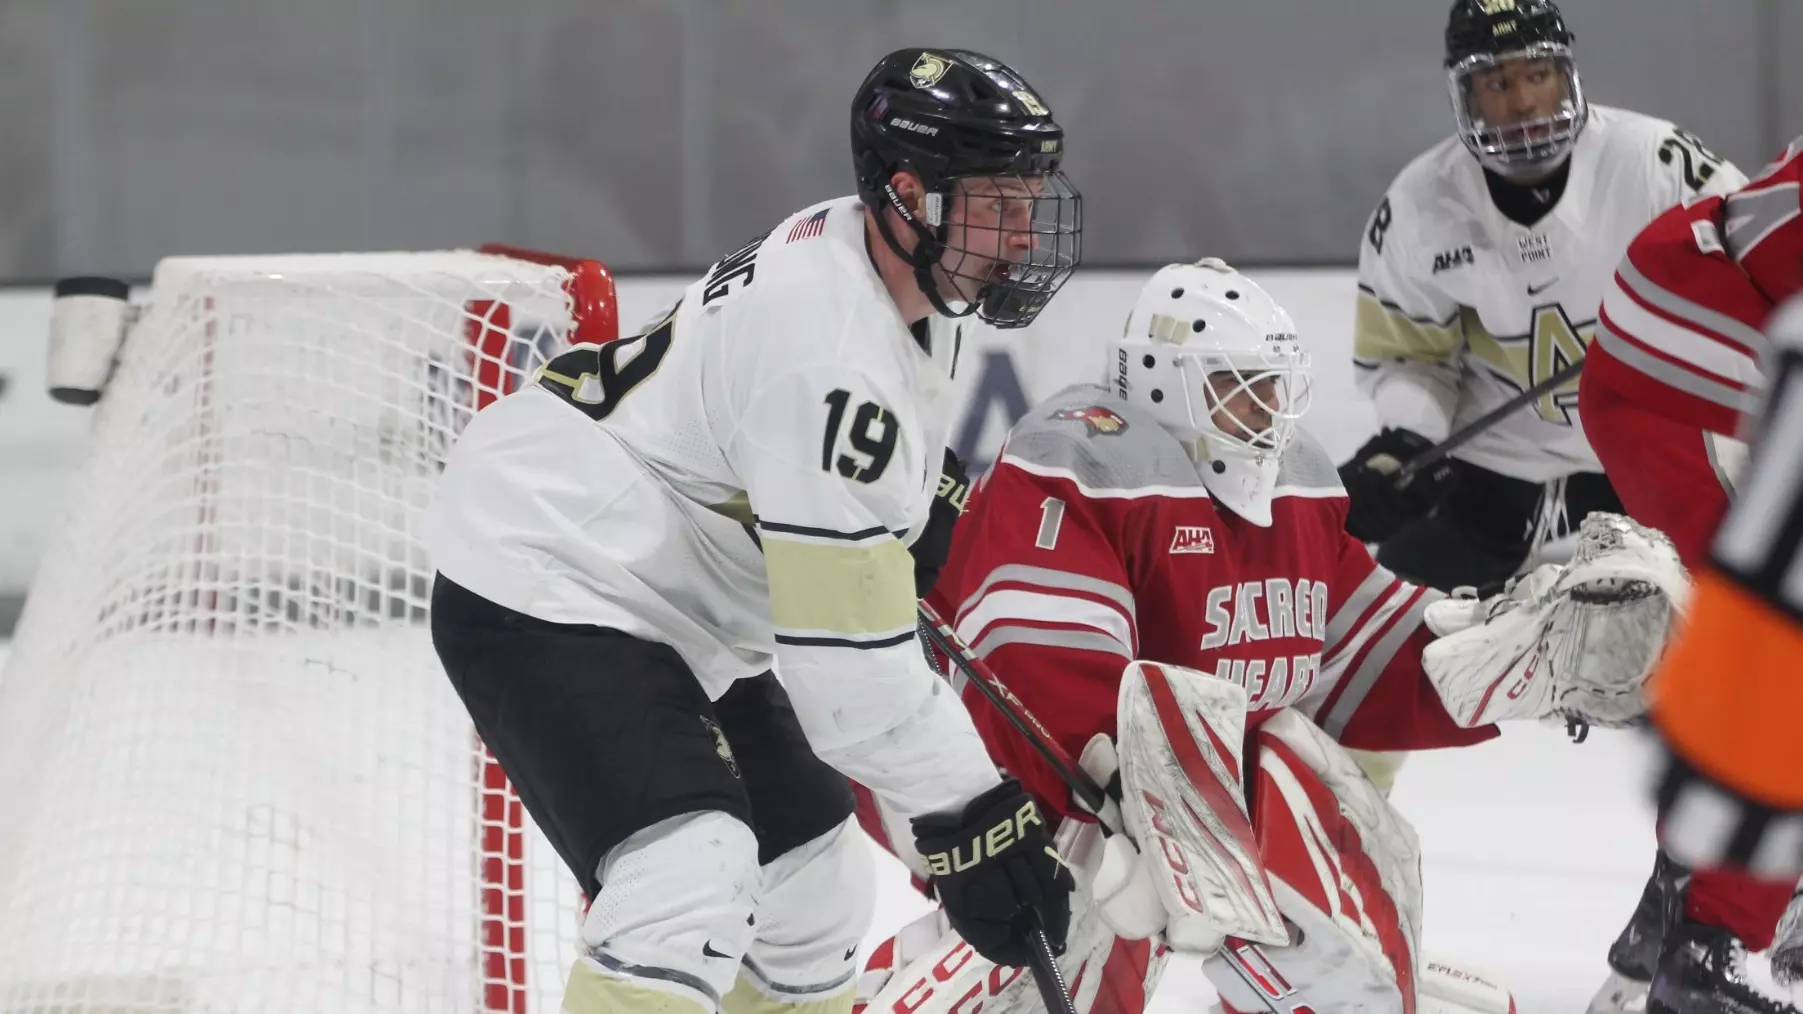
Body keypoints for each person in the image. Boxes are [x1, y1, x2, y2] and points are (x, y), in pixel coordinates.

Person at [421, 48, 1082, 1014]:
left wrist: (901, 510)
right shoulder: (831, 350)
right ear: (909, 191)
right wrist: (970, 816)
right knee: (686, 879)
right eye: (998, 204)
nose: (1022, 237)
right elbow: (846, 675)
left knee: (813, 890)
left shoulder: (882, 259)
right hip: (552, 572)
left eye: (1030, 202)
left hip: (677, 593)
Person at [852, 259, 1684, 1014]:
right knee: (1064, 911)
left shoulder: (1293, 487)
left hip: (1146, 809)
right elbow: (1034, 684)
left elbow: (1360, 648)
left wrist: (1519, 654)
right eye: (1239, 389)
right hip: (957, 777)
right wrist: (1144, 823)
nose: (1265, 415)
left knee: (1291, 767)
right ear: (1162, 380)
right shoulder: (1082, 461)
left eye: (1274, 389)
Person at [1341, 0, 1746, 593]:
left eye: (1537, 75)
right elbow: (1411, 358)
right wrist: (1405, 441)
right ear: (1465, 94)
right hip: (1494, 473)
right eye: (1498, 82)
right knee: (1400, 625)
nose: (1524, 102)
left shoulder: (1658, 165)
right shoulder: (1418, 206)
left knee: (1732, 616)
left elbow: (1753, 277)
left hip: (1652, 459)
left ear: (1567, 76)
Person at [1577, 136, 1803, 1014]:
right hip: (1673, 387)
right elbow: (1765, 235)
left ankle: (1687, 906)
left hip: (1693, 369)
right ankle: (1712, 946)